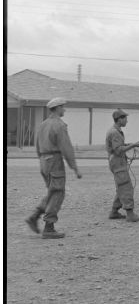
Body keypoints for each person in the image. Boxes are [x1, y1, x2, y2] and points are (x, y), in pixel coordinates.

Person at [25, 97, 82, 239]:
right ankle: (49, 227)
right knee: (58, 192)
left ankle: (34, 216)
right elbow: (66, 148)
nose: (64, 109)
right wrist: (74, 167)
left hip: (44, 161)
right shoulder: (59, 125)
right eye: (63, 107)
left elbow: (37, 146)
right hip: (54, 161)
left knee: (52, 191)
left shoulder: (43, 124)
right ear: (57, 108)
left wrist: (42, 160)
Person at [106, 109, 139, 222]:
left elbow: (118, 146)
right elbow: (118, 150)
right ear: (119, 120)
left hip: (117, 162)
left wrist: (129, 145)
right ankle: (130, 214)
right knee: (126, 187)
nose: (127, 121)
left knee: (121, 187)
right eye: (125, 119)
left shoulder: (115, 131)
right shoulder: (114, 132)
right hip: (118, 163)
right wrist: (133, 145)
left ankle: (114, 212)